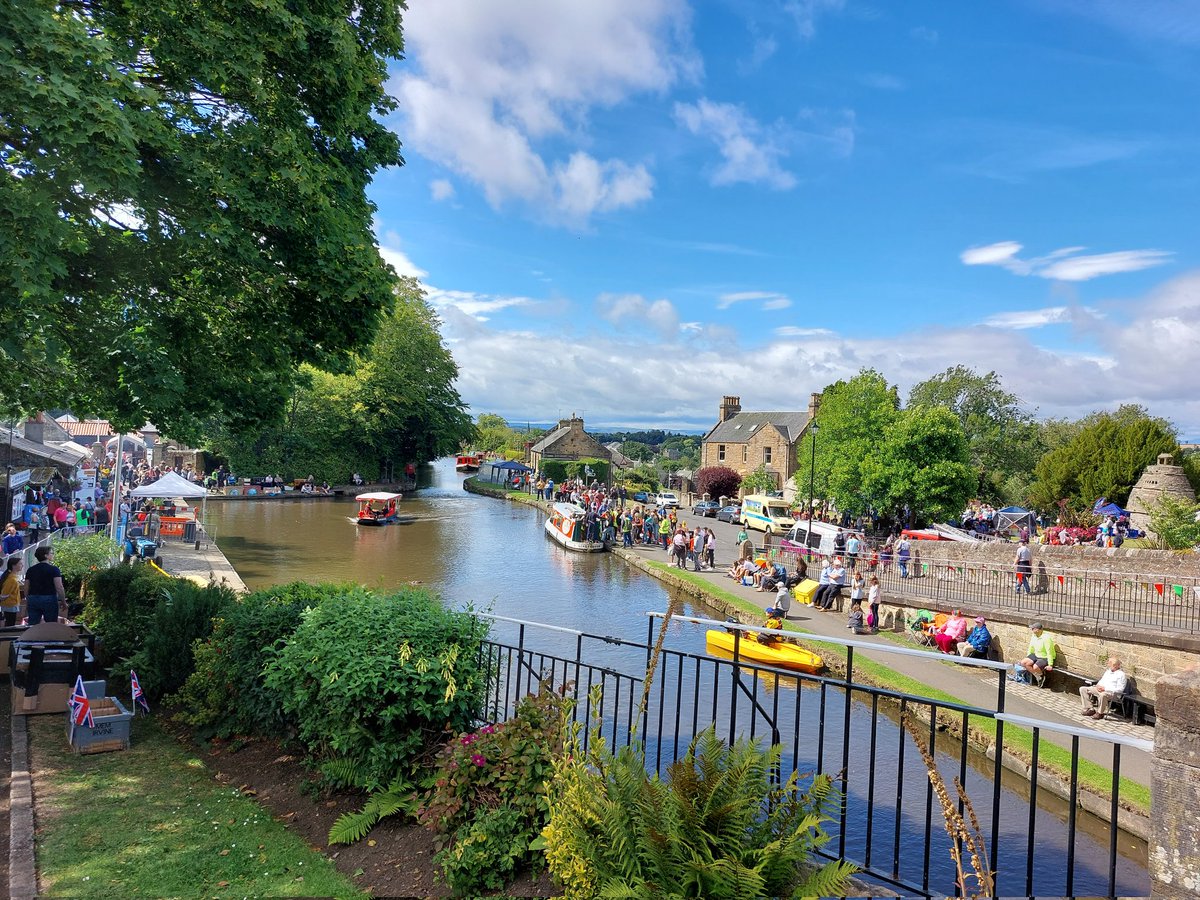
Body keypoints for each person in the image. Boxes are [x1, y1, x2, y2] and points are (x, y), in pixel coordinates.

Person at [23, 545, 66, 625]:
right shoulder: (54, 569)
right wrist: (63, 601)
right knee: (51, 624)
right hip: (49, 597)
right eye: (51, 553)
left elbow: (26, 587)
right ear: (46, 555)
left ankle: (31, 637)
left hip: (33, 597)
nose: (53, 555)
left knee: (32, 625)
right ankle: (49, 637)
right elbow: (59, 587)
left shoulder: (31, 570)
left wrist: (28, 599)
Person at [1016, 622, 1056, 686]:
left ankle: (1042, 676)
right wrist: (1028, 657)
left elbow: (1049, 652)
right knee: (1023, 662)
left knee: (1035, 667)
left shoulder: (1046, 638)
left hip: (1045, 656)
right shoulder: (1034, 636)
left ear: (1038, 630)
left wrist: (1050, 664)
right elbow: (1031, 647)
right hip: (1036, 654)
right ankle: (1038, 676)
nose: (1031, 630)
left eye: (1033, 628)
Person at [1, 556, 23, 627]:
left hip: (12, 604)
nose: (22, 565)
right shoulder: (11, 579)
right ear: (13, 566)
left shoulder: (13, 577)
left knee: (10, 623)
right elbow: (4, 594)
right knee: (10, 624)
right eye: (20, 564)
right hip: (9, 605)